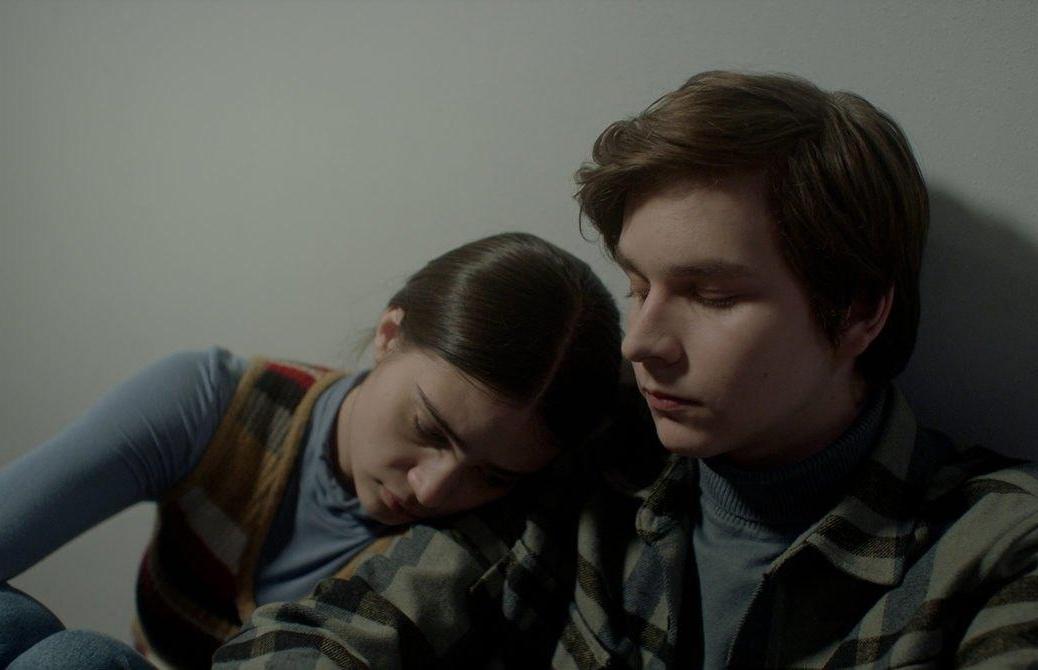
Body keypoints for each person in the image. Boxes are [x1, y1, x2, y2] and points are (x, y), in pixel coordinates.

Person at [214, 71, 1038, 669]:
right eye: (638, 286)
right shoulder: (587, 466)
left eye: (711, 295)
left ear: (858, 312)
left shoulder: (999, 550)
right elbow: (317, 636)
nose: (641, 342)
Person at [0, 232, 622, 669]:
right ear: (389, 336)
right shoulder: (216, 403)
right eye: (430, 430)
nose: (433, 489)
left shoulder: (474, 552)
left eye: (492, 474)